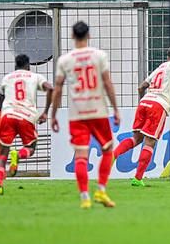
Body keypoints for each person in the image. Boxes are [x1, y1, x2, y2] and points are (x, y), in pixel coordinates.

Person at [112, 46, 170, 187]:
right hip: (158, 105)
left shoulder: (158, 69)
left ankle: (113, 155)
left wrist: (146, 99)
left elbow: (141, 87)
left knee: (136, 138)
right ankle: (137, 178)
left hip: (144, 102)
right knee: (150, 142)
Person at [51, 21, 120, 209]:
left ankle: (84, 197)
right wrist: (115, 109)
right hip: (98, 110)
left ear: (72, 36)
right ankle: (101, 190)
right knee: (108, 150)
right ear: (89, 35)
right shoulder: (99, 56)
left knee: (81, 154)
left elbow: (57, 89)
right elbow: (107, 83)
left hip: (77, 114)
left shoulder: (65, 60)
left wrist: (53, 114)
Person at [0, 54, 53, 194]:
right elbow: (50, 88)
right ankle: (18, 155)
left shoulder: (7, 78)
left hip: (8, 115)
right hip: (26, 117)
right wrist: (45, 112)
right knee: (31, 147)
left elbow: (0, 103)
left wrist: (5, 114)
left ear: (16, 65)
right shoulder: (34, 76)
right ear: (28, 65)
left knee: (2, 156)